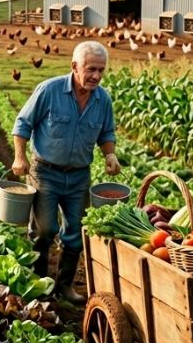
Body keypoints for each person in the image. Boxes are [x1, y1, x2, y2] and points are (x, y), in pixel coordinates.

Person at [11, 40, 121, 304]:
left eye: (101, 70)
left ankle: (64, 286)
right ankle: (39, 285)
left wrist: (110, 153)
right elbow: (23, 123)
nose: (96, 76)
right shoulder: (49, 90)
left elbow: (106, 132)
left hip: (79, 176)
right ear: (74, 66)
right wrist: (19, 156)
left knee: (76, 232)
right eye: (91, 69)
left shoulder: (102, 99)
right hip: (45, 172)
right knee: (45, 230)